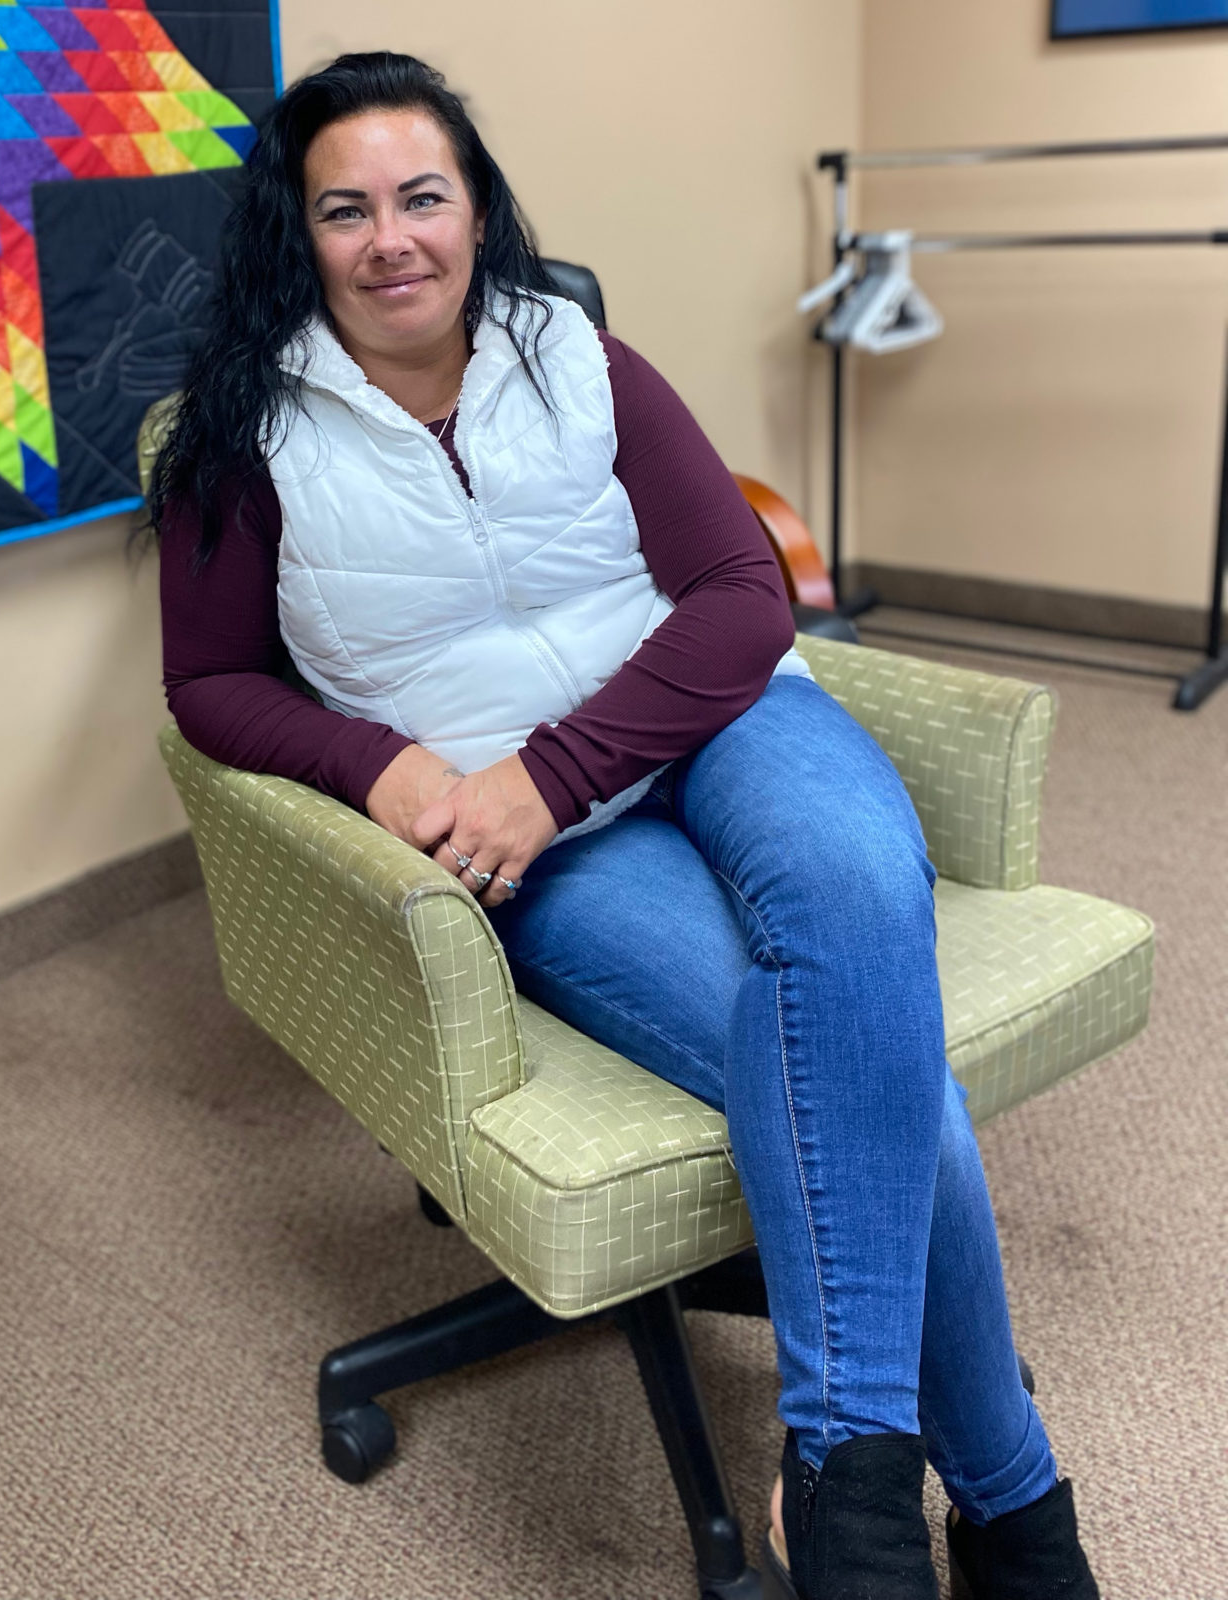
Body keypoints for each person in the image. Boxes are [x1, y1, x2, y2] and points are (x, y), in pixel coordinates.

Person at [151, 50, 1099, 1600]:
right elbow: (209, 684)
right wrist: (381, 764)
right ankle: (1014, 1499)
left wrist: (562, 762)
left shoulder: (579, 354)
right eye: (345, 209)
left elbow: (743, 591)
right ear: (294, 233)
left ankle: (840, 1465)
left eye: (423, 196)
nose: (393, 238)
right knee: (872, 1061)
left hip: (724, 725)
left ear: (477, 209)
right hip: (535, 846)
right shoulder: (246, 433)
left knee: (858, 902)